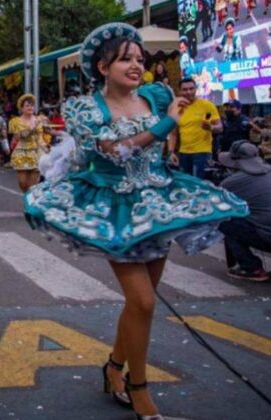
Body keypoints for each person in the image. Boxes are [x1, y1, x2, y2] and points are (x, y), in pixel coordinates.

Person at [23, 23, 248, 419]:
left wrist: (168, 140)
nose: (136, 66)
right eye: (125, 59)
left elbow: (160, 146)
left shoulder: (156, 96)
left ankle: (114, 367)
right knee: (143, 301)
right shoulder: (84, 108)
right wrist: (166, 125)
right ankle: (139, 388)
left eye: (140, 59)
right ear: (103, 66)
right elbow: (113, 151)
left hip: (157, 206)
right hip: (115, 208)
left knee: (139, 305)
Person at [217, 141, 271, 281]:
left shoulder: (232, 182)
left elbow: (217, 204)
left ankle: (251, 267)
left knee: (224, 220)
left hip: (267, 237)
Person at [172, 78, 223, 179]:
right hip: (183, 153)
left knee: (200, 184)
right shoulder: (177, 108)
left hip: (202, 153)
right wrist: (171, 152)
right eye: (185, 89)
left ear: (196, 89)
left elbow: (220, 128)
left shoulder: (207, 105)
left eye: (191, 88)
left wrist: (211, 127)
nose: (189, 92)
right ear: (179, 91)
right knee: (185, 184)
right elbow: (173, 133)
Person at [9, 94, 50, 192]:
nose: (30, 107)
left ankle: (29, 200)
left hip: (37, 152)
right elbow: (21, 136)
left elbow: (40, 138)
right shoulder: (15, 121)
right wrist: (34, 126)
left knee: (33, 186)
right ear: (21, 108)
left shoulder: (40, 119)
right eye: (27, 105)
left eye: (32, 105)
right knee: (23, 182)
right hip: (22, 152)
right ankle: (26, 197)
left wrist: (47, 149)